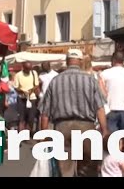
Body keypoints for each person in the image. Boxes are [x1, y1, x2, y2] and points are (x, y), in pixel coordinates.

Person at [40, 49, 108, 177]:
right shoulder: (90, 80)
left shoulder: (55, 81)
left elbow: (45, 113)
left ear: (67, 62)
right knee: (89, 165)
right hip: (86, 127)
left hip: (62, 127)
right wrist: (104, 130)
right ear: (81, 61)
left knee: (65, 167)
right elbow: (100, 107)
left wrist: (44, 134)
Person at [100, 52, 124, 132]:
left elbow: (101, 93)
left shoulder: (104, 74)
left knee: (111, 138)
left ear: (113, 60)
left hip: (109, 109)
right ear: (123, 61)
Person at [14, 61, 40, 133]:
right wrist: (22, 91)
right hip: (22, 98)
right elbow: (16, 87)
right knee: (21, 118)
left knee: (31, 118)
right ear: (23, 68)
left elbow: (36, 85)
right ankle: (21, 135)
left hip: (32, 98)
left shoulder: (34, 73)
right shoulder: (18, 75)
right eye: (27, 69)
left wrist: (31, 90)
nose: (29, 70)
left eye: (30, 68)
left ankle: (28, 133)